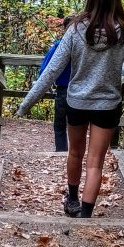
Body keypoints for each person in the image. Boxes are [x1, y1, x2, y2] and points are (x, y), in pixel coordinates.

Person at [17, 0, 124, 218]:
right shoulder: (123, 35)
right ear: (115, 0)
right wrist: (117, 69)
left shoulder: (75, 30)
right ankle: (85, 215)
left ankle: (72, 199)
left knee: (75, 152)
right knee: (96, 161)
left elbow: (53, 69)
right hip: (107, 106)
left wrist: (26, 104)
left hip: (76, 102)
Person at [38, 15, 75, 152]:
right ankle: (77, 153)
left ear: (65, 28)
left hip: (63, 91)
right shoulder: (85, 48)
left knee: (60, 125)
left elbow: (45, 70)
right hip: (82, 92)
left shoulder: (58, 47)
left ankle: (61, 152)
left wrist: (40, 88)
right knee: (78, 125)